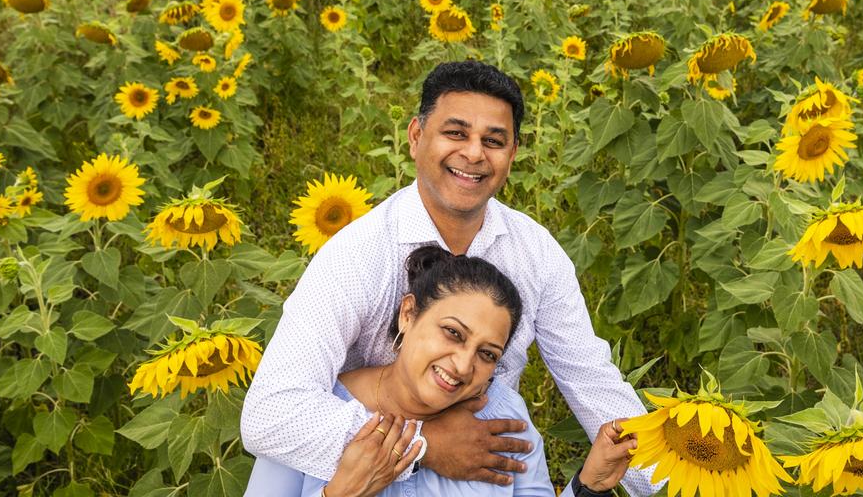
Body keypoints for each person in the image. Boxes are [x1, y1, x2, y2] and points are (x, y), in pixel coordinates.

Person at [242, 61, 654, 495]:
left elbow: (590, 378)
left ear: (512, 155)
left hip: (486, 475)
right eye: (456, 133)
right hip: (344, 470)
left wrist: (668, 477)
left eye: (493, 141)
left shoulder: (535, 253)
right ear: (416, 137)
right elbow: (271, 414)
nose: (474, 154)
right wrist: (424, 444)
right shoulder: (355, 256)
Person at [244, 246, 636, 496]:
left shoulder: (502, 418)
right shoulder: (307, 412)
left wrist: (589, 486)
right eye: (452, 333)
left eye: (487, 354)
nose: (464, 365)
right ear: (408, 314)